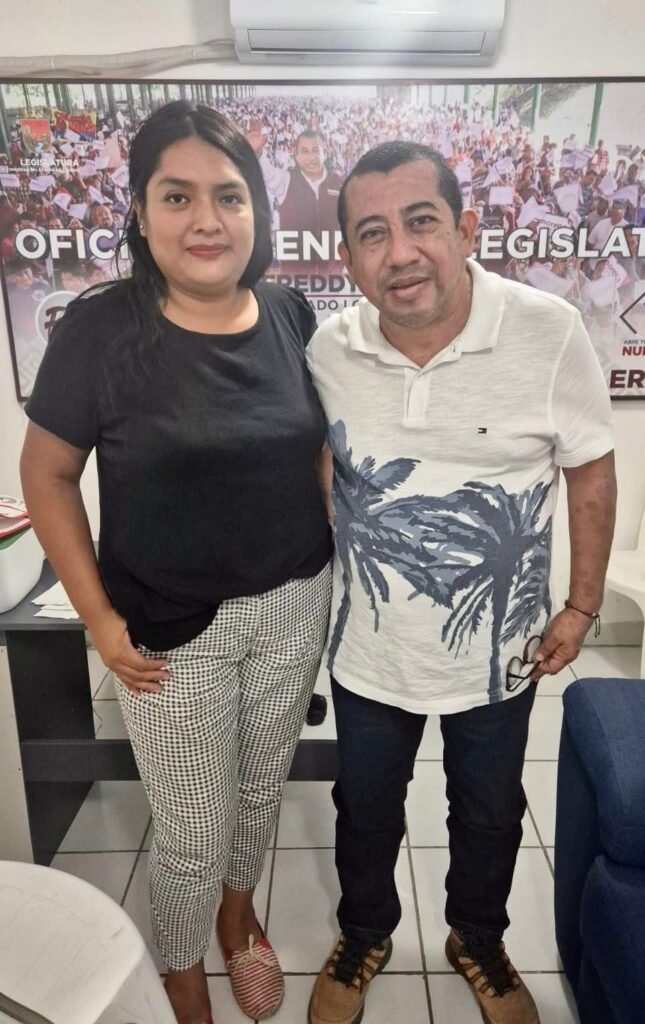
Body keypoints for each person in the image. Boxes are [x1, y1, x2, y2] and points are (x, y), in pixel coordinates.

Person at [20, 100, 333, 1024]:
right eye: (177, 196)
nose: (206, 219)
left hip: (294, 603)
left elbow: (314, 449)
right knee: (194, 822)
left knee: (260, 790)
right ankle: (181, 962)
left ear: (257, 211)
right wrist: (97, 617)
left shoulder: (290, 313)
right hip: (167, 627)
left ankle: (238, 917)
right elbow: (47, 474)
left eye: (228, 196)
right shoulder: (98, 330)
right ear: (141, 210)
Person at [305, 141, 616, 1024]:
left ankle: (476, 937)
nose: (400, 252)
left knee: (487, 811)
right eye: (372, 233)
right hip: (369, 650)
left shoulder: (547, 329)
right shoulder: (328, 348)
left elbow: (590, 469)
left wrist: (580, 604)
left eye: (421, 222)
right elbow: (319, 460)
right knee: (365, 808)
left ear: (465, 229)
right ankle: (363, 932)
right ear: (347, 256)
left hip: (499, 652)